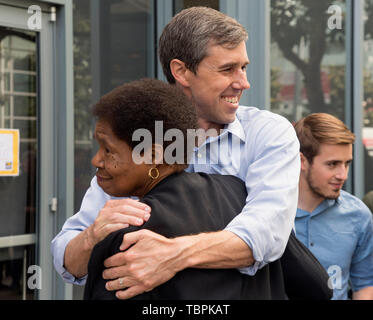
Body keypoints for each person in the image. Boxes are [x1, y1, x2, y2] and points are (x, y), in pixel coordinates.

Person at [51, 7, 300, 299]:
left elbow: (265, 236)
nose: (243, 82)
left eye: (243, 67)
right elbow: (65, 260)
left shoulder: (268, 134)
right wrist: (93, 235)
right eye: (227, 69)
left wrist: (171, 255)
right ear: (181, 71)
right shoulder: (137, 142)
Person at [84, 78, 331, 300]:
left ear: (152, 154)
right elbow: (318, 286)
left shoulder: (127, 234)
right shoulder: (243, 196)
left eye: (108, 149)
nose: (97, 160)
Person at [294, 113, 373, 300]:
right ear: (302, 161)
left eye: (347, 164)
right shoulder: (267, 212)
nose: (343, 175)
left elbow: (365, 285)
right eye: (332, 164)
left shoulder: (359, 216)